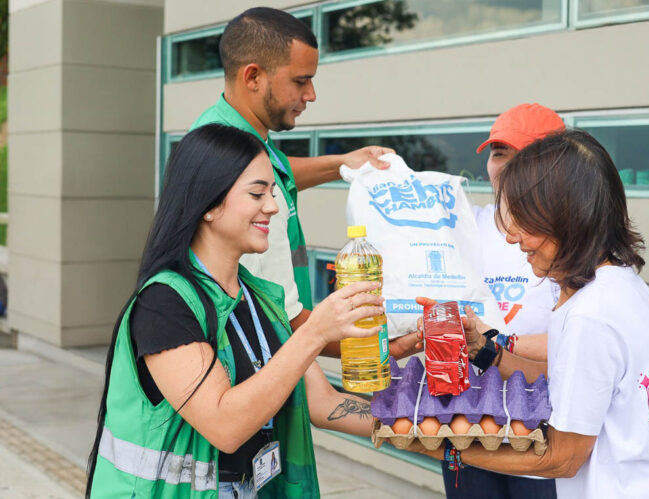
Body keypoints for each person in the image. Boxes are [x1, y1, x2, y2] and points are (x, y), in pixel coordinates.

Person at [86, 125, 386, 499]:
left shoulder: (261, 298)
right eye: (257, 193)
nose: (273, 207)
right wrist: (314, 333)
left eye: (273, 193)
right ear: (208, 204)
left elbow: (321, 402)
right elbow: (225, 424)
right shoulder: (164, 304)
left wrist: (417, 425)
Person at [414, 129, 649, 498]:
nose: (513, 237)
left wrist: (446, 447)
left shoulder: (590, 315)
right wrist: (487, 351)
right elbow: (570, 383)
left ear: (566, 217)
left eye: (523, 219)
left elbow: (562, 459)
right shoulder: (621, 284)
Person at [190, 7, 420, 359]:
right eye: (300, 80)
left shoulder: (224, 142)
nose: (311, 94)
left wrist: (340, 164)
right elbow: (285, 319)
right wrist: (386, 344)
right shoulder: (248, 187)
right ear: (253, 77)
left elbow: (277, 170)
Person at [437, 104, 565, 498]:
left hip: (542, 429)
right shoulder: (466, 226)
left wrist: (493, 347)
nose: (505, 166)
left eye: (521, 155)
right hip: (468, 423)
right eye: (498, 153)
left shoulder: (570, 239)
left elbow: (572, 346)